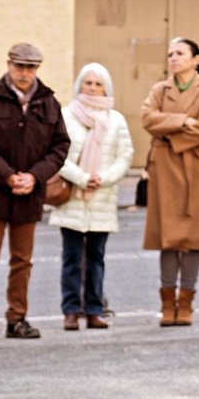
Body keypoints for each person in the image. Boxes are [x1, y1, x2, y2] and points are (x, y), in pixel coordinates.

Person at [0, 42, 69, 342]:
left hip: (30, 194)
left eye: (30, 67)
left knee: (22, 260)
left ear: (37, 69)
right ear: (9, 65)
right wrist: (9, 176)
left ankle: (17, 318)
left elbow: (60, 146)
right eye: (19, 66)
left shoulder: (49, 102)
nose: (24, 73)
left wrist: (35, 177)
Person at [141, 38, 199, 326]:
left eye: (180, 53)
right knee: (168, 237)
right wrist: (184, 121)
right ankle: (167, 303)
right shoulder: (159, 89)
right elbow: (148, 118)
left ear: (195, 59)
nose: (173, 58)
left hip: (197, 168)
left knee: (192, 237)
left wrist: (170, 129)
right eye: (170, 54)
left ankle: (186, 302)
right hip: (164, 168)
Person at [49, 62, 134, 330]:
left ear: (106, 87)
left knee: (96, 259)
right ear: (79, 85)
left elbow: (125, 156)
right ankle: (71, 310)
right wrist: (83, 178)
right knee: (72, 259)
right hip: (72, 196)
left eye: (98, 84)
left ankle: (95, 309)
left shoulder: (116, 119)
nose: (93, 88)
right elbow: (57, 155)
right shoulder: (66, 115)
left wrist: (103, 178)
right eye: (88, 83)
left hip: (102, 198)